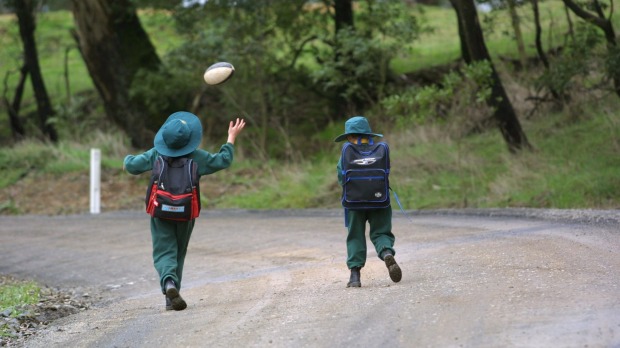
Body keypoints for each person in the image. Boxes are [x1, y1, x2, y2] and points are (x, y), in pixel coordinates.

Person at [124, 111, 245, 310]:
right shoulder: (197, 157)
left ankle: (169, 284)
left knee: (164, 251)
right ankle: (171, 295)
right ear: (190, 139)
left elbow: (131, 165)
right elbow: (223, 160)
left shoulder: (155, 154)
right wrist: (231, 138)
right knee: (178, 251)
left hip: (160, 211)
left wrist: (127, 159)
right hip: (185, 212)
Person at [335, 116, 402, 287]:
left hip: (354, 203)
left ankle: (355, 276)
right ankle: (386, 252)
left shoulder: (347, 152)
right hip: (380, 200)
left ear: (350, 136)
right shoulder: (380, 150)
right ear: (368, 134)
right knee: (381, 232)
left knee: (355, 235)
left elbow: (341, 178)